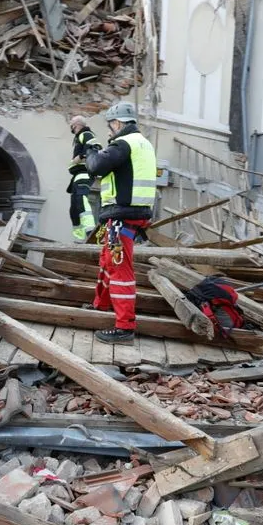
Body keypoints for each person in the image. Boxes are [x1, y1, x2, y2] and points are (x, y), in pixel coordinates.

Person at [86, 100, 158, 343]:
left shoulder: (123, 143)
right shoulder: (144, 144)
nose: (109, 131)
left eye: (110, 126)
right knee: (108, 261)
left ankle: (124, 327)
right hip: (132, 215)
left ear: (117, 123)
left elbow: (95, 166)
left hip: (122, 215)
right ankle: (100, 306)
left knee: (120, 271)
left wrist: (91, 149)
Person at [66, 115, 100, 243]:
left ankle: (90, 231)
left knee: (81, 200)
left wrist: (80, 157)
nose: (71, 127)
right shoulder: (79, 137)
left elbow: (95, 147)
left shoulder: (85, 133)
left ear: (76, 125)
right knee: (74, 209)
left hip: (84, 174)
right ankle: (79, 239)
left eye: (72, 124)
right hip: (77, 176)